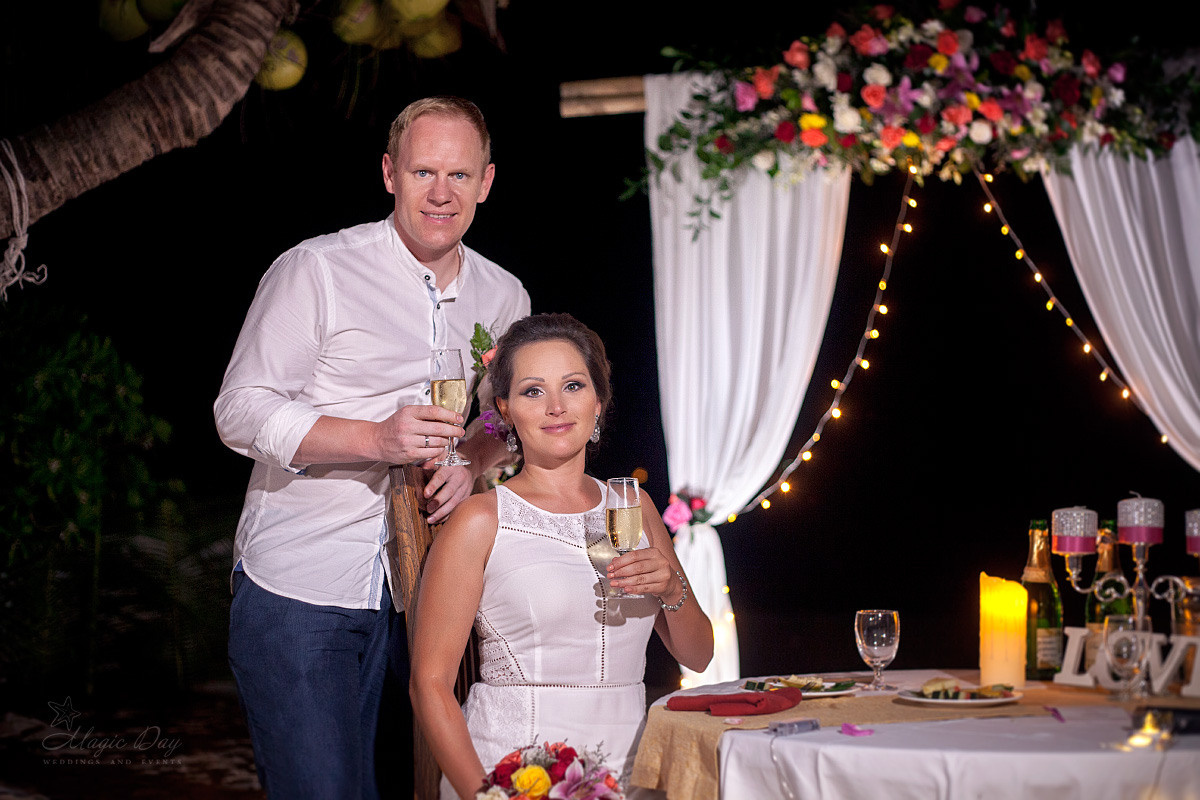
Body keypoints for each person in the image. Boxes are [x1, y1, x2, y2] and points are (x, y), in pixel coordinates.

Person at [213, 96, 530, 799]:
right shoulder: (315, 269)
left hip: (430, 597)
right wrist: (374, 438)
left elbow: (504, 418)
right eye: (423, 171)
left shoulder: (506, 297)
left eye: (459, 174)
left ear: (486, 181)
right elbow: (238, 411)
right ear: (390, 173)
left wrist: (476, 457)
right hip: (302, 590)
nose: (440, 192)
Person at [409, 313, 714, 800]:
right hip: (515, 773)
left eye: (573, 386)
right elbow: (429, 685)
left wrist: (673, 591)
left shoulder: (634, 509)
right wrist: (486, 794)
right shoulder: (481, 521)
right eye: (533, 391)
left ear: (598, 403)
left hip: (632, 775)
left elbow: (699, 656)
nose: (555, 407)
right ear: (505, 411)